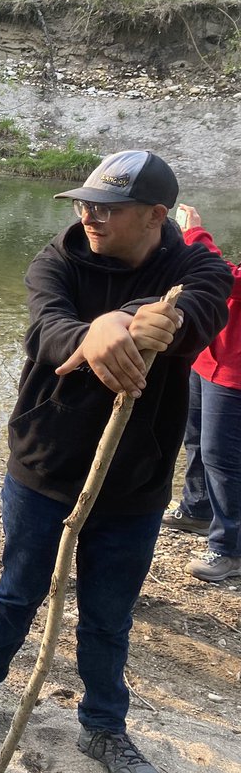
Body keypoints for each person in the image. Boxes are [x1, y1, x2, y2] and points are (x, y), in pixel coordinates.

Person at [0, 151, 231, 773]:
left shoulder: (196, 269)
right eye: (86, 203)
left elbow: (201, 316)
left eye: (108, 208)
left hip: (136, 480)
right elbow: (47, 328)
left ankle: (103, 725)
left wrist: (149, 320)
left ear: (155, 215)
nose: (90, 216)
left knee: (108, 614)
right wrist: (96, 333)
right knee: (17, 590)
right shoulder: (58, 258)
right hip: (45, 464)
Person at [162, 204, 241, 583]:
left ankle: (229, 549)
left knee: (223, 458)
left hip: (235, 373)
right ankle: (197, 509)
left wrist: (194, 234)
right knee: (194, 440)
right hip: (209, 357)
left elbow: (230, 281)